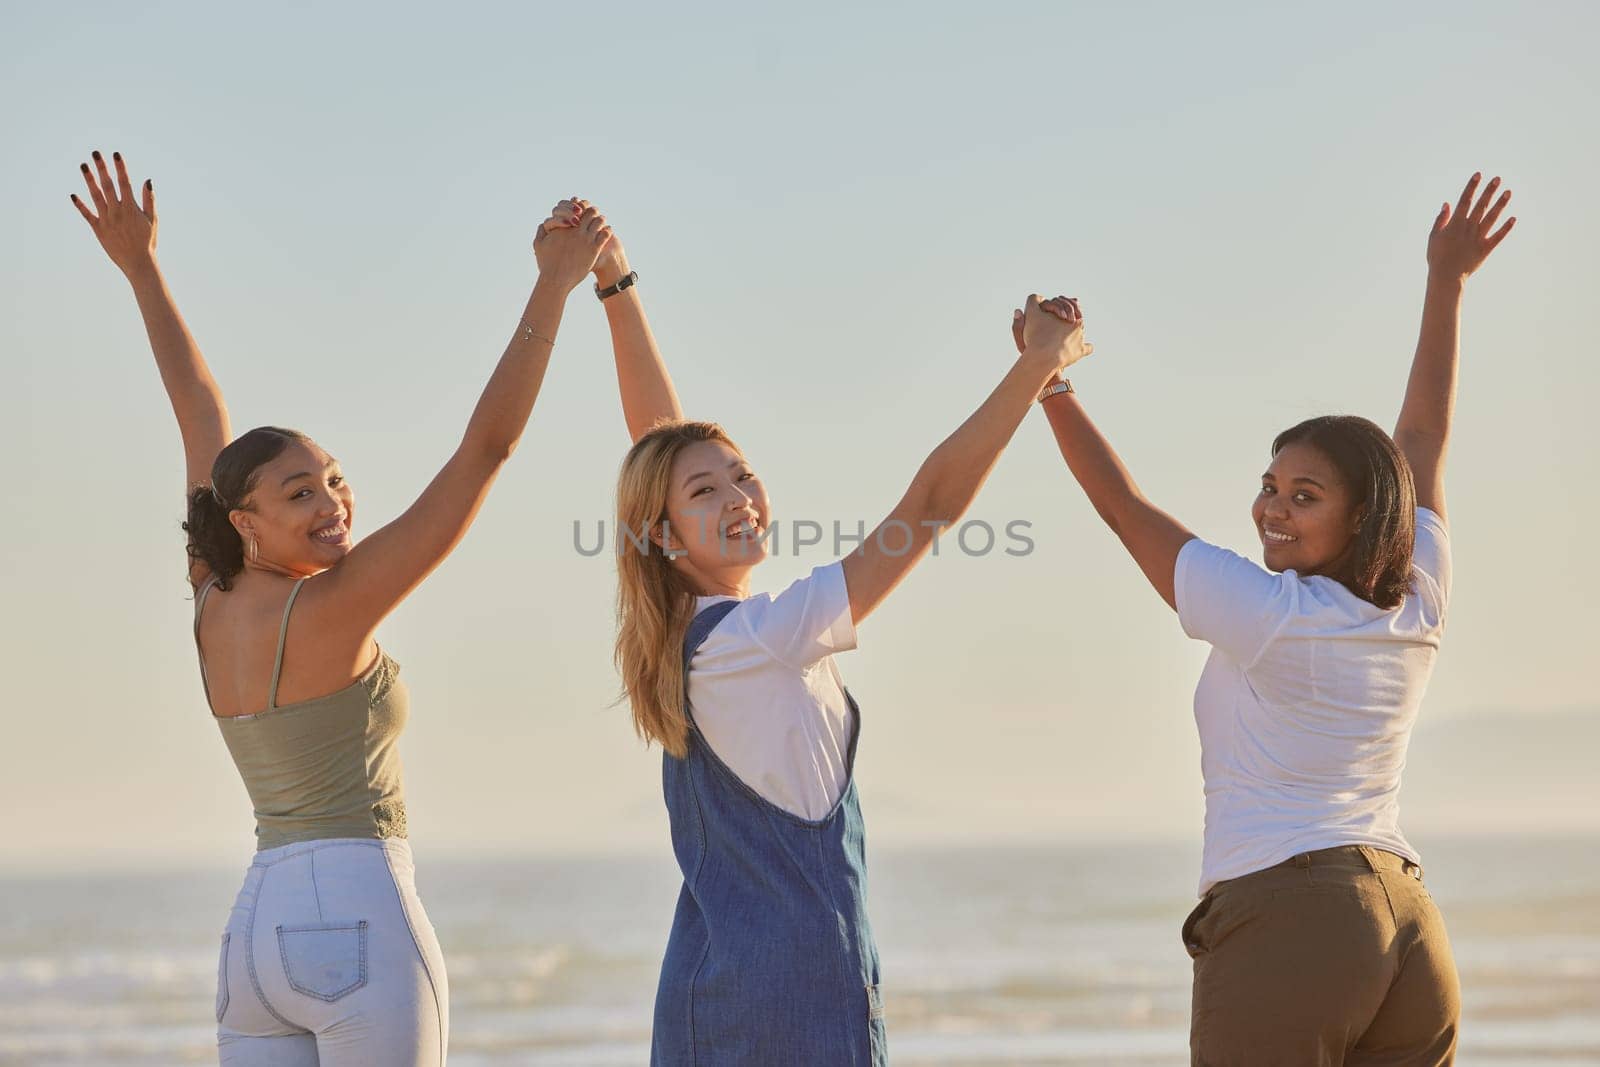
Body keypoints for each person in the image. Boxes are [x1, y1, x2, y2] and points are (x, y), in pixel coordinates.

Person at [72, 151, 613, 1066]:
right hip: (360, 915)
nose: (333, 504)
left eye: (334, 479)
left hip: (256, 935)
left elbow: (195, 404)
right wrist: (554, 286)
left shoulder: (210, 593)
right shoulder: (332, 607)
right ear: (248, 519)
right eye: (299, 494)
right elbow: (485, 451)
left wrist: (142, 267)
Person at [543, 196, 1092, 1067]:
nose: (738, 498)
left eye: (742, 476)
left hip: (762, 1001)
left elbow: (660, 441)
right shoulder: (754, 638)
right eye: (706, 494)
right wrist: (1036, 368)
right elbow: (933, 505)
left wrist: (616, 284)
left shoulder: (707, 631)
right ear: (660, 532)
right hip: (774, 1017)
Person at [1032, 173, 1515, 1064]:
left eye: (1304, 494)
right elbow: (1421, 442)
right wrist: (1447, 282)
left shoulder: (1271, 615)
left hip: (1295, 921)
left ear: (1361, 515)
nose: (1271, 509)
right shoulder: (1420, 598)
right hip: (1410, 926)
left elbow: (1125, 510)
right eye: (1268, 485)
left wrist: (1048, 380)